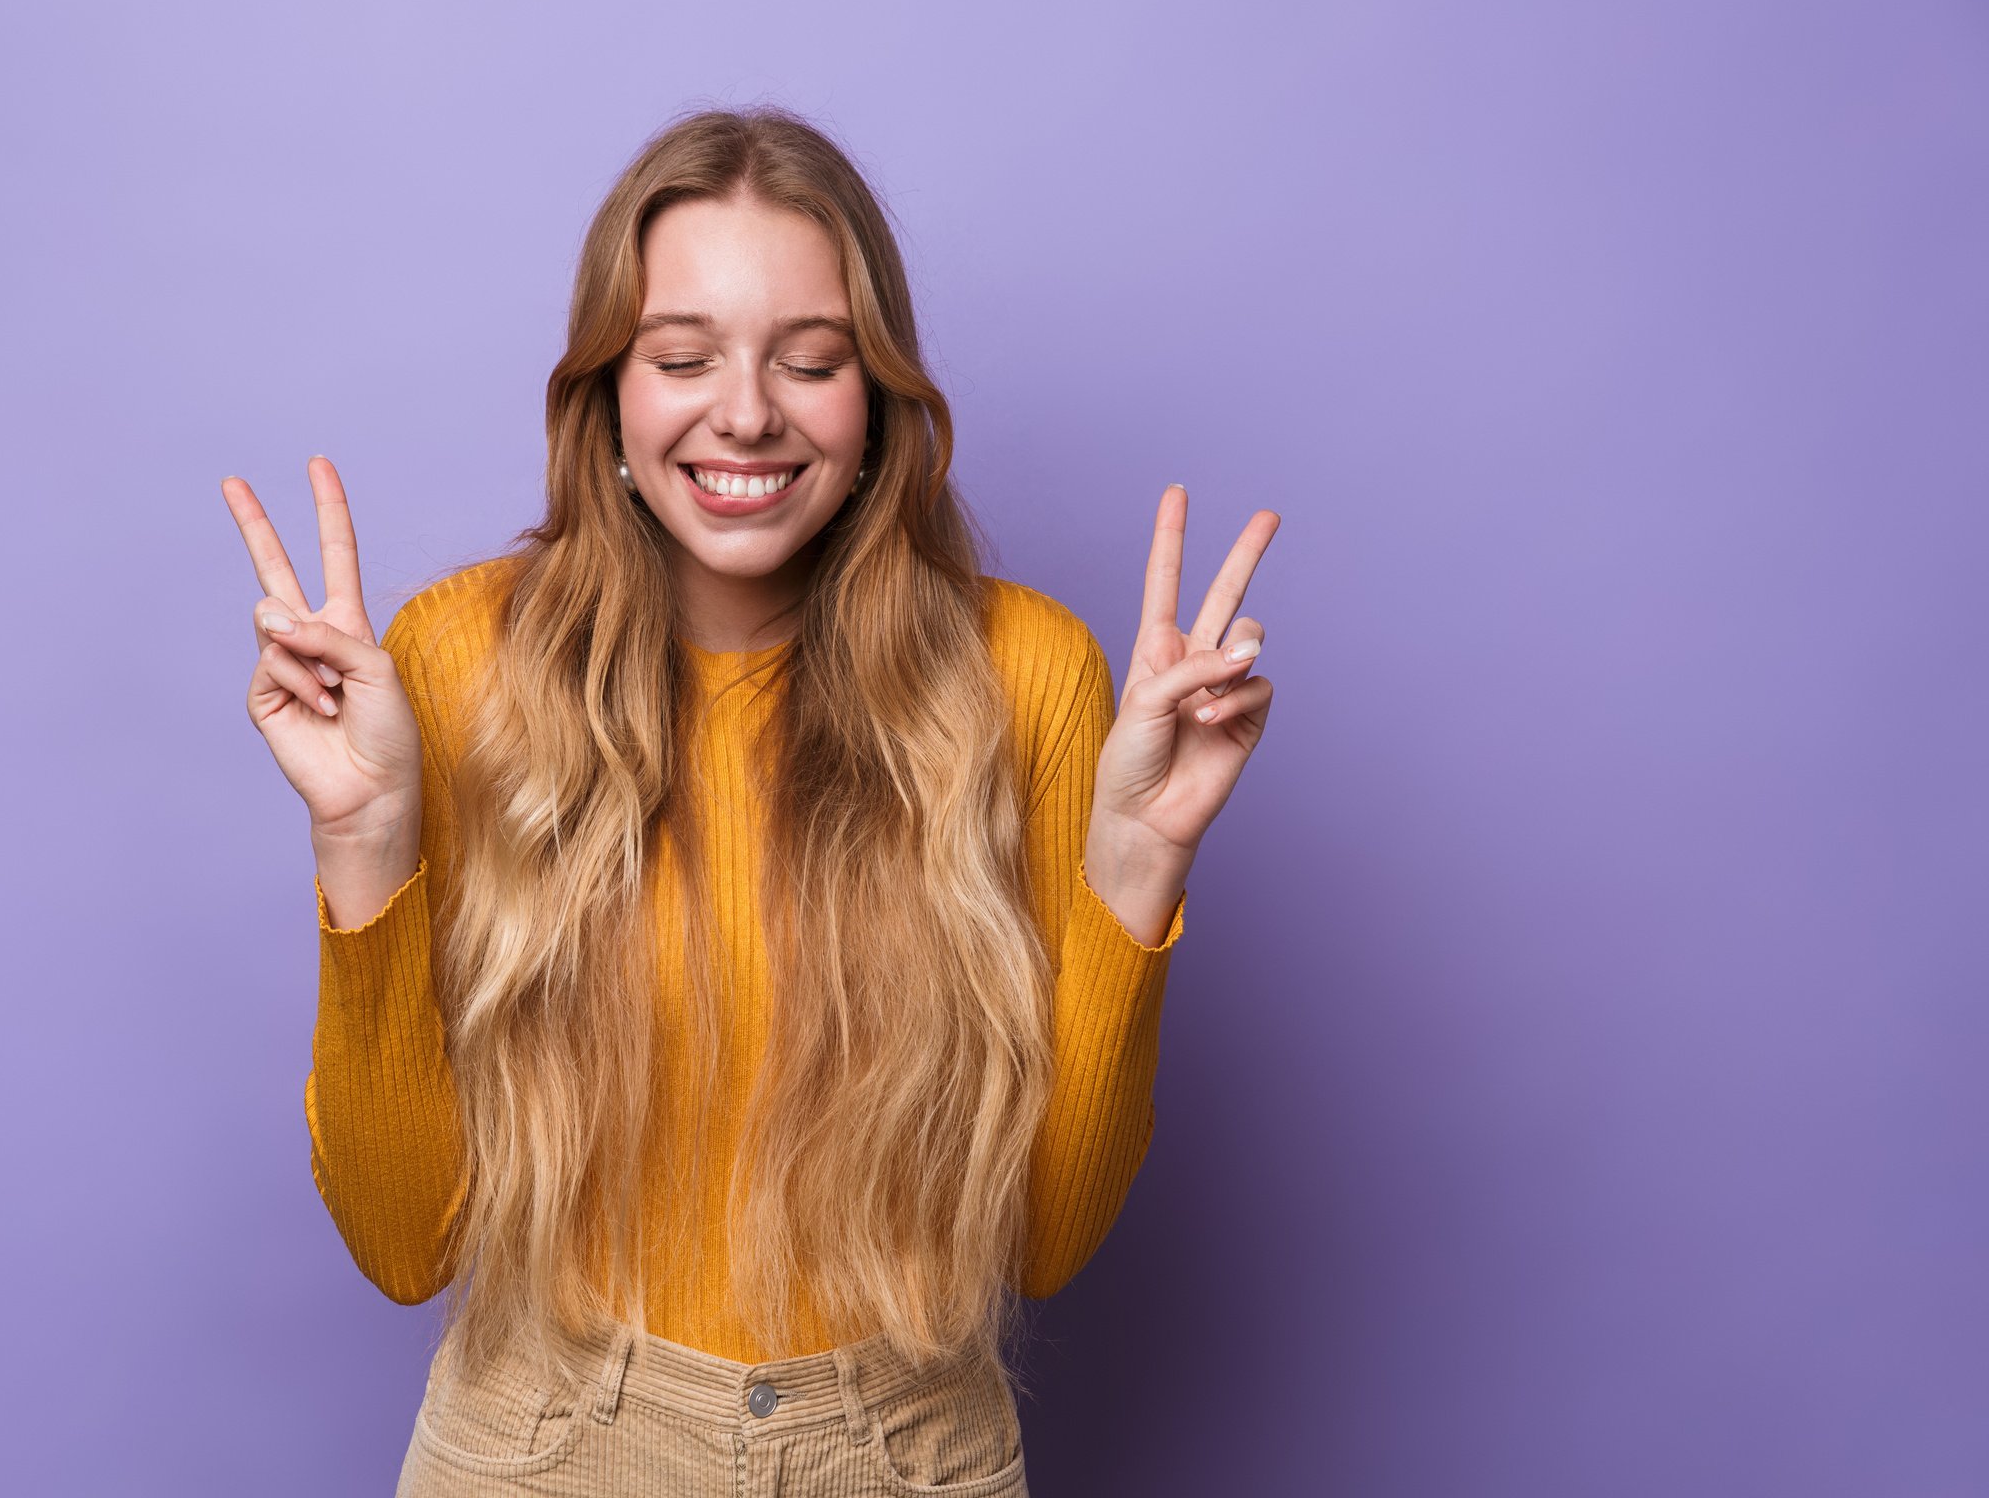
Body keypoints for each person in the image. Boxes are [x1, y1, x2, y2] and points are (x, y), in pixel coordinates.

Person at [221, 105, 1278, 1497]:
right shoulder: (456, 665)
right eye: (682, 357)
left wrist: (1137, 864)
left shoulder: (1027, 677)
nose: (745, 412)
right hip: (543, 1445)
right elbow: (400, 1240)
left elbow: (1044, 1243)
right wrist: (361, 845)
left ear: (878, 399)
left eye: (812, 360)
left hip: (906, 1450)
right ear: (608, 393)